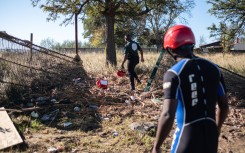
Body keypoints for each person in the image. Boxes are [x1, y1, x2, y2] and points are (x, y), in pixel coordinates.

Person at [152, 25, 229, 153]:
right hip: (211, 135)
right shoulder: (214, 69)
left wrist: (156, 146)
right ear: (192, 44)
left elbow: (167, 114)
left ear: (170, 50)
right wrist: (217, 129)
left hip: (186, 136)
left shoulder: (174, 74)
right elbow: (224, 106)